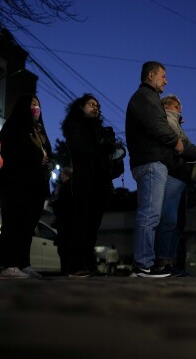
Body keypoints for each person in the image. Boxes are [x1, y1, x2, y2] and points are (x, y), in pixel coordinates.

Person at [125, 61, 184, 277]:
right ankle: (142, 265)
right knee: (149, 215)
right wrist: (175, 141)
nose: (166, 81)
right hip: (150, 162)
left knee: (151, 215)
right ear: (151, 75)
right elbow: (158, 127)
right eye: (163, 76)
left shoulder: (147, 98)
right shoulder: (146, 97)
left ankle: (144, 264)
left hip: (150, 161)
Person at [0, 95, 54, 279]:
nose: (36, 108)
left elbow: (47, 154)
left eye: (38, 104)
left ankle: (23, 264)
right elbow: (10, 152)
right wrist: (37, 158)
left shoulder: (39, 131)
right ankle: (8, 266)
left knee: (28, 226)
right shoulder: (13, 127)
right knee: (13, 224)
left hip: (36, 186)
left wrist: (49, 162)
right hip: (15, 184)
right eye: (31, 104)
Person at [61, 94, 118, 277]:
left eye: (97, 105)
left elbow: (104, 154)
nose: (95, 107)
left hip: (100, 182)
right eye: (91, 104)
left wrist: (113, 150)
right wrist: (104, 148)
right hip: (85, 181)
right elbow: (82, 149)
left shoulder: (98, 129)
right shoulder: (74, 125)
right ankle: (76, 266)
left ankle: (88, 265)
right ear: (80, 107)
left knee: (93, 226)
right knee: (81, 224)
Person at [155, 94, 196, 276]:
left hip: (180, 175)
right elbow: (183, 145)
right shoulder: (168, 121)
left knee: (177, 221)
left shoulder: (174, 122)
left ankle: (168, 262)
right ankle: (164, 262)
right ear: (169, 106)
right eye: (178, 105)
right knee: (169, 219)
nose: (180, 109)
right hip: (174, 173)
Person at [51, 166, 73, 275]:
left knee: (63, 249)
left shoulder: (64, 187)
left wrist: (53, 204)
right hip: (71, 222)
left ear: (64, 175)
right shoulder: (73, 186)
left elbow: (61, 205)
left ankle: (65, 271)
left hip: (64, 222)